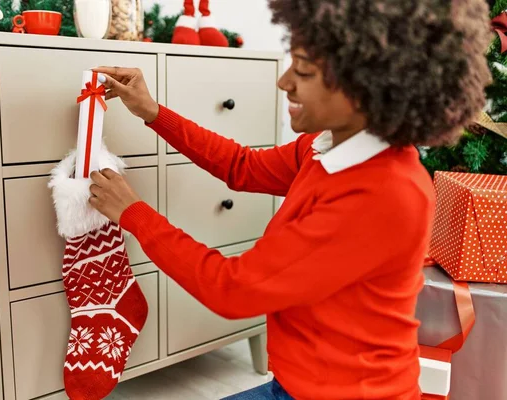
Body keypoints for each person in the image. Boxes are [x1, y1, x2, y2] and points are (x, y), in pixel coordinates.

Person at [88, 0, 491, 398]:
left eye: (303, 69)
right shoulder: (327, 147)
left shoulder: (384, 193)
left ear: (365, 85)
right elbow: (242, 166)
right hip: (298, 385)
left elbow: (233, 289)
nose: (284, 82)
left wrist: (133, 213)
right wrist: (153, 111)